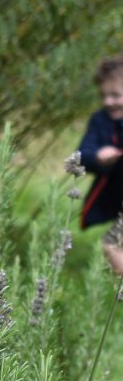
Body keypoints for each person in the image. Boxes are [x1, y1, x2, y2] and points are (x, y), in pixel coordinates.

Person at [79, 54, 123, 274]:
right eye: (103, 95)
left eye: (115, 95)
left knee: (112, 245)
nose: (108, 101)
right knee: (112, 246)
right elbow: (82, 155)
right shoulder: (100, 120)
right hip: (116, 202)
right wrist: (98, 156)